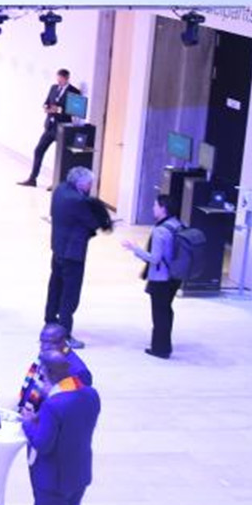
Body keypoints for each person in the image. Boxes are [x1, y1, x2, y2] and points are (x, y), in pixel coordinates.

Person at [10, 350, 101, 505]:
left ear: (47, 373)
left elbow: (43, 443)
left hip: (53, 477)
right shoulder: (91, 394)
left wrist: (29, 423)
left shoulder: (54, 404)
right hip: (79, 471)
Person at [45, 166, 111, 347]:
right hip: (72, 253)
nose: (91, 186)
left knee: (55, 287)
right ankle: (64, 334)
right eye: (90, 183)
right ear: (80, 183)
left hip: (58, 248)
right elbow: (93, 222)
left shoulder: (60, 190)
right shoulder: (78, 201)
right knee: (70, 294)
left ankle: (50, 320)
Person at [123, 194, 186, 358]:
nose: (153, 208)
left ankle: (160, 348)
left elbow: (154, 258)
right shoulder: (178, 224)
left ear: (163, 208)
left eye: (156, 205)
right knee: (167, 310)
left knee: (159, 314)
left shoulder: (160, 231)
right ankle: (165, 345)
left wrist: (134, 249)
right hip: (175, 277)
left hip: (161, 278)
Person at [20, 69, 79, 187]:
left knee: (61, 156)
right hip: (50, 126)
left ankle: (57, 182)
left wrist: (58, 110)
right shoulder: (53, 88)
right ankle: (32, 179)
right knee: (38, 150)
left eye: (61, 79)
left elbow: (74, 111)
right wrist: (46, 107)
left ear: (67, 78)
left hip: (62, 128)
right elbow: (47, 102)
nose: (59, 82)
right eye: (58, 79)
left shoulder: (74, 91)